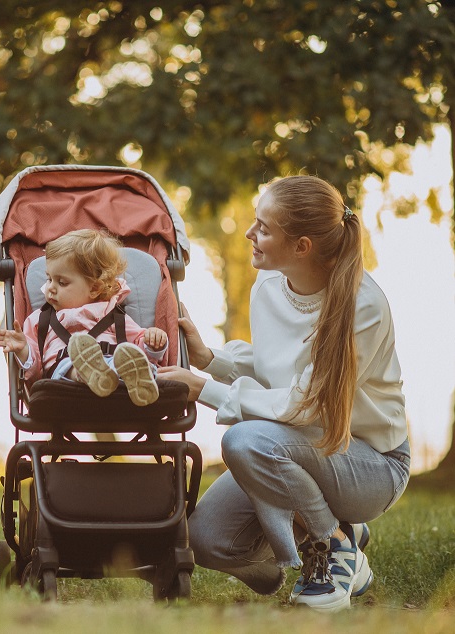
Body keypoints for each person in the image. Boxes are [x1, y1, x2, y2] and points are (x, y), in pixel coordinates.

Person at [157, 175, 409, 612]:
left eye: (264, 227)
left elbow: (304, 403)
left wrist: (207, 390)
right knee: (209, 540)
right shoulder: (269, 284)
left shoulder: (362, 306)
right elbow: (280, 368)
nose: (250, 234)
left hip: (369, 463)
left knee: (243, 439)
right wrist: (208, 358)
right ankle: (330, 530)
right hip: (295, 447)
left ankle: (329, 549)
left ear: (302, 246)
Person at [0, 229, 167, 406]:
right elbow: (35, 371)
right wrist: (23, 349)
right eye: (49, 279)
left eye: (62, 282)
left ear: (94, 288)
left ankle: (136, 380)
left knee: (125, 361)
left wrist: (152, 343)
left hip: (112, 370)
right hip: (63, 378)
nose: (51, 288)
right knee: (70, 366)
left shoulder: (112, 315)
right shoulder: (40, 320)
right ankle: (88, 373)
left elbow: (139, 347)